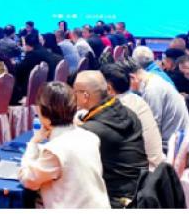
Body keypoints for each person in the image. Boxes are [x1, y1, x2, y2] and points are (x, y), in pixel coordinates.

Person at [18, 82, 110, 209]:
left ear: (45, 116)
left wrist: (33, 143)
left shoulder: (54, 150)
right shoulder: (90, 137)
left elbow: (28, 179)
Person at [73, 71, 148, 208]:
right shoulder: (128, 113)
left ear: (85, 96)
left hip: (117, 200)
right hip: (140, 189)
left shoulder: (92, 132)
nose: (73, 96)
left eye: (75, 92)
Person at [101, 63, 165, 170]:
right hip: (157, 165)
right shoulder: (136, 99)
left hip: (146, 172)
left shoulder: (119, 109)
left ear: (108, 88)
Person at [127, 59, 189, 150]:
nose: (129, 89)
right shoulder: (153, 78)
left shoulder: (152, 90)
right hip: (175, 139)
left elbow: (152, 128)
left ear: (132, 77)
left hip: (171, 146)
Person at [13, 33, 63, 102]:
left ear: (27, 45)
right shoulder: (46, 52)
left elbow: (19, 71)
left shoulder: (32, 55)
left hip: (36, 92)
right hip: (50, 88)